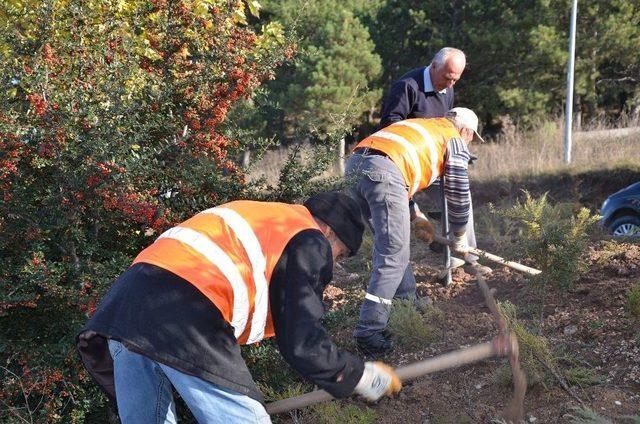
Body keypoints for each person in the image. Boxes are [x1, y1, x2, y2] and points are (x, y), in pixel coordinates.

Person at [76, 192, 401, 423]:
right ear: (329, 231)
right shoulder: (308, 237)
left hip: (125, 312)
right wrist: (358, 376)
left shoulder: (268, 217)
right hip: (184, 314)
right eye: (340, 253)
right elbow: (302, 339)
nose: (334, 261)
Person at [345, 108, 485, 354]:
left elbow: (391, 163)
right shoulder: (454, 140)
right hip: (384, 173)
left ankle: (407, 301)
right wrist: (460, 236)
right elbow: (459, 194)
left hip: (356, 165)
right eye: (471, 136)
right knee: (393, 255)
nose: (470, 141)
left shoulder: (423, 126)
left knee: (390, 246)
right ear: (465, 131)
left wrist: (417, 217)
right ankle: (369, 331)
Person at [379, 47, 490, 276]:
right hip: (406, 164)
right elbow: (388, 129)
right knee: (402, 217)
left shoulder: (447, 90)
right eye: (447, 78)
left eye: (455, 80)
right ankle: (399, 273)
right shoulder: (407, 87)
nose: (450, 85)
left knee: (460, 197)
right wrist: (414, 210)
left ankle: (464, 259)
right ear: (434, 66)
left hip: (434, 162)